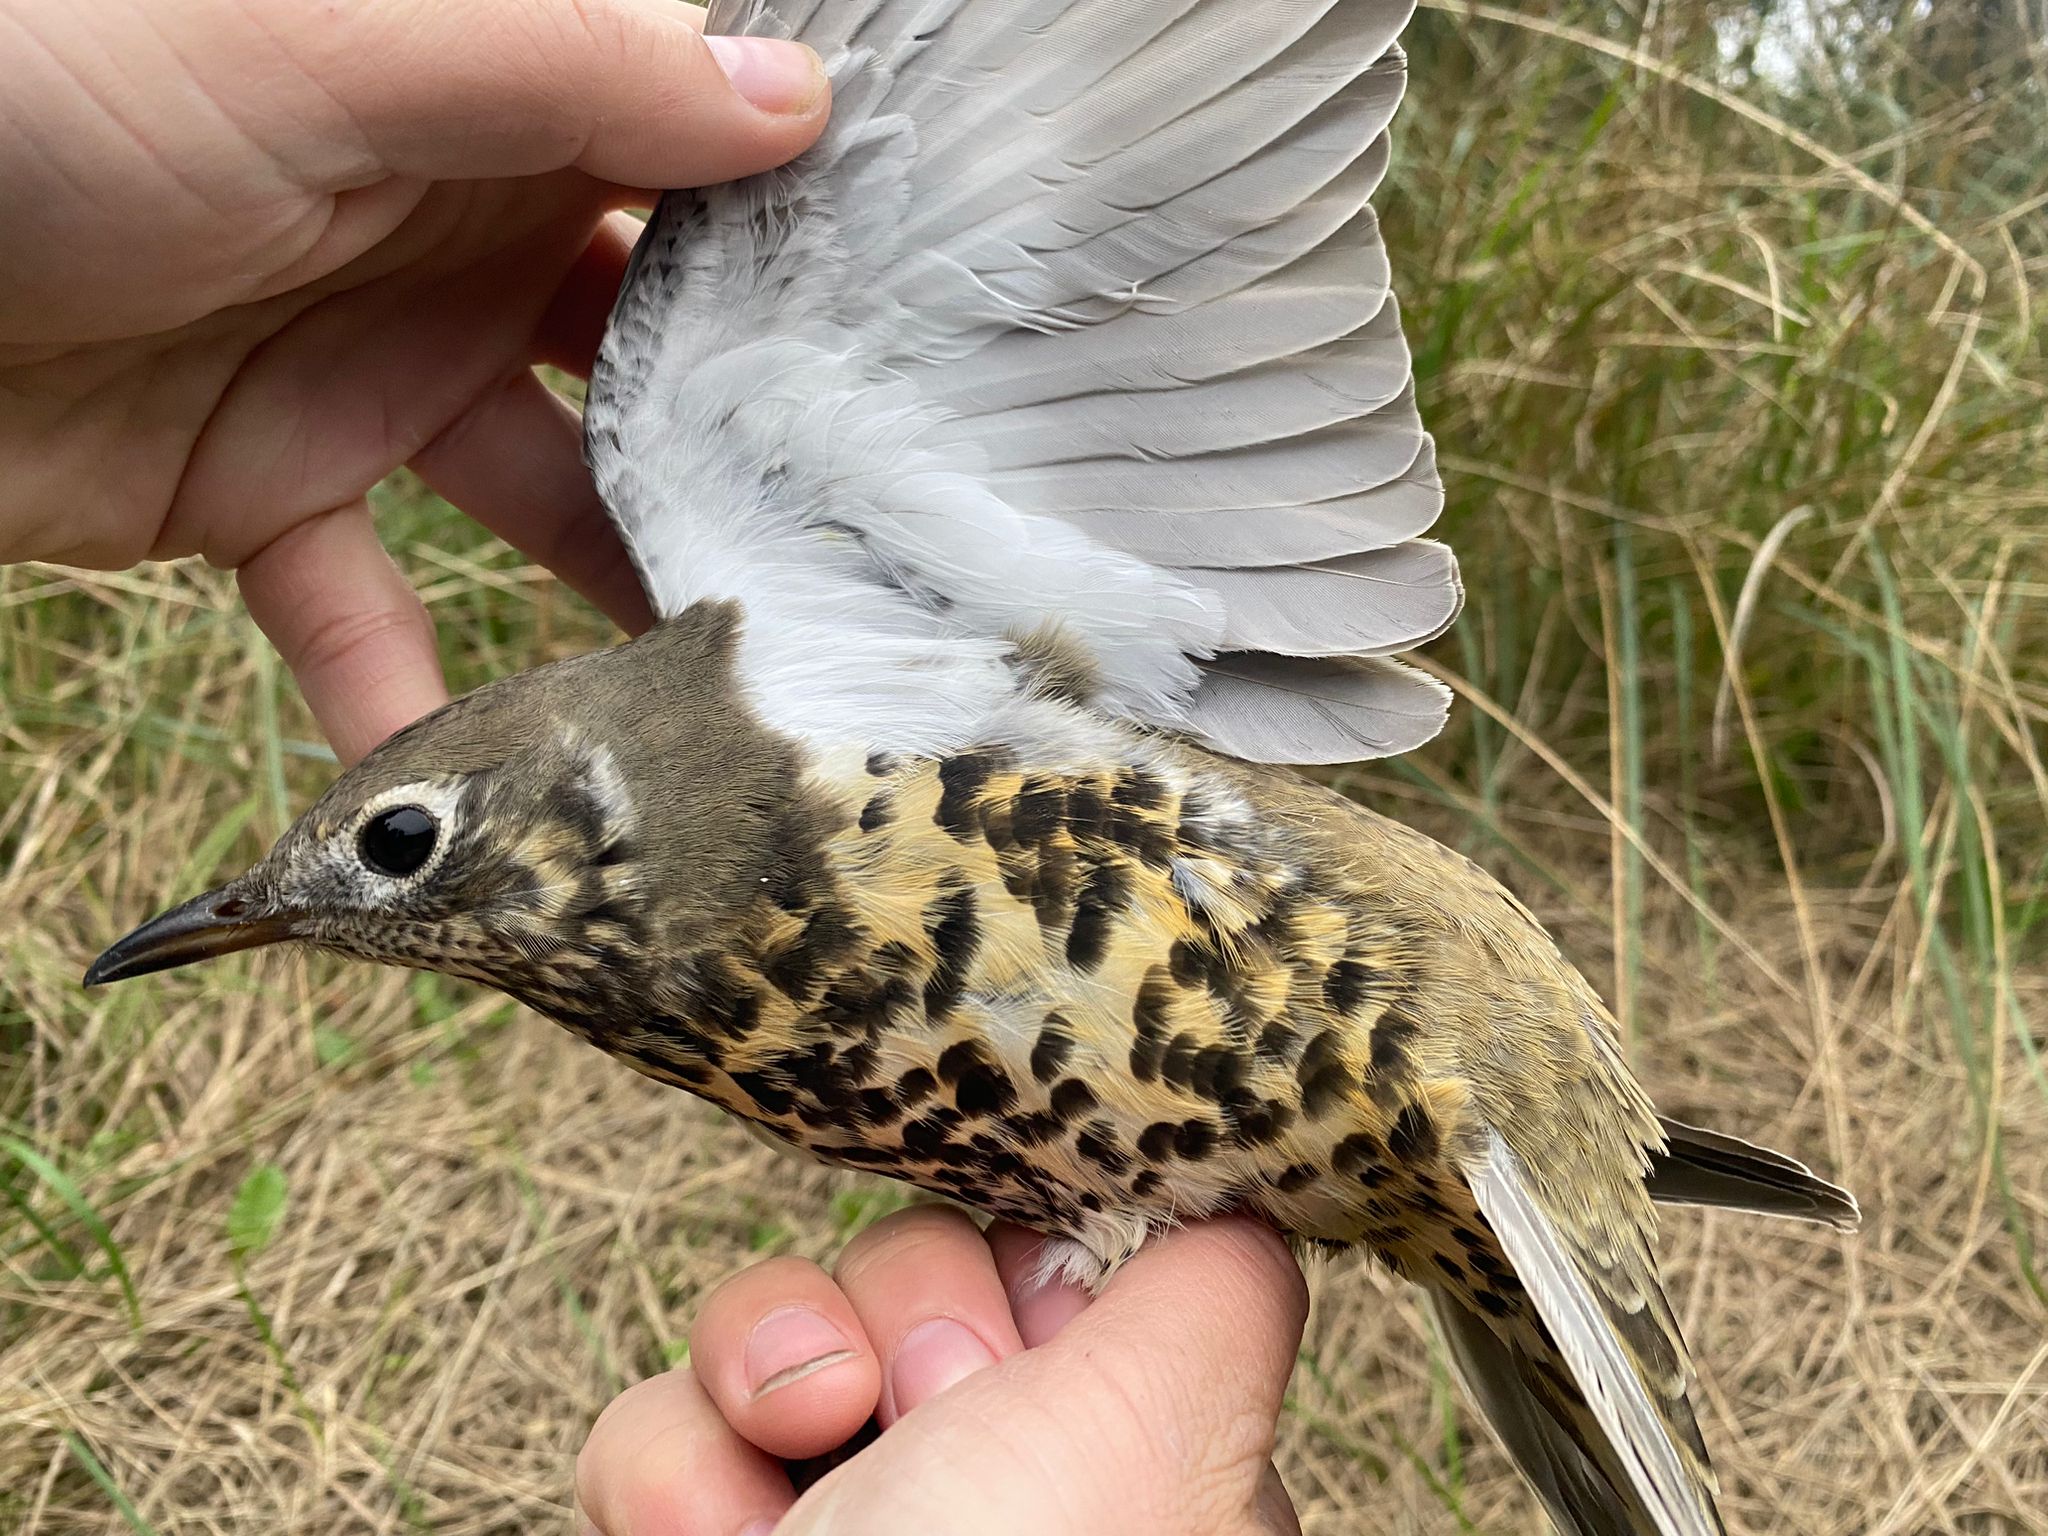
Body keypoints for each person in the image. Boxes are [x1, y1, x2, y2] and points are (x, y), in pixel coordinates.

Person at [0, 2, 1312, 1530]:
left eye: (407, 843)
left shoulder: (762, 542)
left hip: (1385, 1021)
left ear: (568, 789)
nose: (345, 905)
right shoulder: (672, 982)